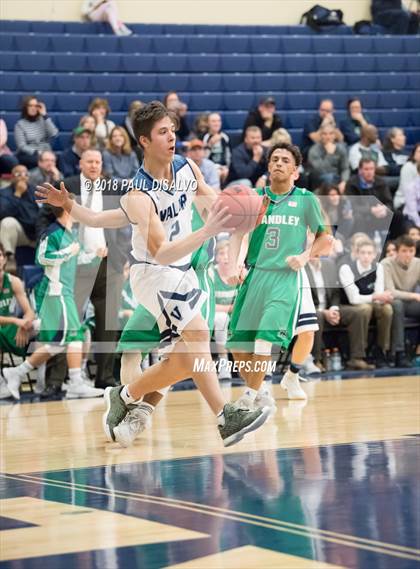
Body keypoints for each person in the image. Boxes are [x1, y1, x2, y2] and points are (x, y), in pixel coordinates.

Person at [36, 100, 270, 448]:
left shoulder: (187, 169)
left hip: (183, 273)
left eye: (172, 130)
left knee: (189, 357)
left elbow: (215, 204)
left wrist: (246, 213)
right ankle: (225, 418)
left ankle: (125, 394)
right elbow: (161, 251)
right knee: (198, 335)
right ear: (144, 141)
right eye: (162, 133)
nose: (171, 137)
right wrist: (209, 231)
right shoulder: (138, 194)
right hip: (154, 274)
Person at [225, 143, 333, 408]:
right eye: (274, 159)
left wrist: (306, 256)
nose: (278, 163)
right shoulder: (255, 198)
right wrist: (234, 265)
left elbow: (326, 238)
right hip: (254, 275)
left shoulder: (306, 199)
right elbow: (238, 235)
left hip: (286, 276)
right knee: (237, 344)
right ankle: (260, 389)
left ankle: (253, 395)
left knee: (274, 337)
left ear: (295, 170)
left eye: (285, 160)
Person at [1, 203, 105, 400]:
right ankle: (75, 382)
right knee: (74, 335)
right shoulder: (52, 232)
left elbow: (78, 258)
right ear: (67, 210)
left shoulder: (70, 234)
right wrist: (68, 252)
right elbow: (41, 258)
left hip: (63, 293)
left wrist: (94, 256)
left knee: (59, 343)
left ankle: (17, 372)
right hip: (56, 293)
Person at [306, 257, 375, 371]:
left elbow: (336, 292)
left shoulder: (329, 264)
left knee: (358, 313)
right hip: (311, 310)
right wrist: (323, 312)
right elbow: (301, 297)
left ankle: (356, 358)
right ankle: (316, 360)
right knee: (317, 316)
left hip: (330, 307)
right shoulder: (301, 267)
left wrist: (334, 308)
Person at [339, 238, 394, 367]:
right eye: (363, 253)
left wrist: (380, 297)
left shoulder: (378, 267)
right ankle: (359, 355)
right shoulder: (346, 268)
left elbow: (379, 296)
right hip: (348, 305)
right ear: (357, 254)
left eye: (369, 253)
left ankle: (381, 351)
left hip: (369, 302)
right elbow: (353, 298)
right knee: (364, 309)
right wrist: (376, 296)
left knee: (387, 309)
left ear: (375, 255)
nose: (366, 256)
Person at [0, 243, 38, 399]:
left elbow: (30, 311)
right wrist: (17, 322)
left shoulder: (13, 281)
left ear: (4, 259)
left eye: (0, 255)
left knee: (44, 326)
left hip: (12, 330)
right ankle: (1, 383)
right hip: (7, 326)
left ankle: (45, 382)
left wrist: (24, 324)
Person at [381, 235, 420, 366]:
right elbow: (390, 291)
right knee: (398, 305)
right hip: (390, 300)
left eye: (411, 251)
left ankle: (417, 351)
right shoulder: (386, 263)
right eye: (404, 251)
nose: (408, 255)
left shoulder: (418, 263)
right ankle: (399, 353)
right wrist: (413, 296)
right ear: (397, 251)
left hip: (408, 303)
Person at [0, 165, 38, 271]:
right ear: (12, 177)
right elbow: (3, 213)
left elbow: (43, 213)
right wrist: (17, 194)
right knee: (7, 222)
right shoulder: (4, 193)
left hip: (37, 232)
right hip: (20, 234)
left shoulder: (36, 191)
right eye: (18, 174)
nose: (22, 177)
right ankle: (9, 257)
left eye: (26, 174)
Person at [345, 158, 393, 237]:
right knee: (358, 217)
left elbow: (389, 202)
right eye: (366, 169)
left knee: (397, 215)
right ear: (360, 170)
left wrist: (384, 209)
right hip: (363, 214)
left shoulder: (381, 182)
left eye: (371, 169)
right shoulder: (351, 184)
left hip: (379, 212)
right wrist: (370, 210)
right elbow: (352, 206)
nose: (369, 172)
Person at [213, 240, 237, 381]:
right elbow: (208, 305)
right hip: (214, 316)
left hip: (235, 315)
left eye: (229, 253)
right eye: (222, 253)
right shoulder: (211, 274)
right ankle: (224, 364)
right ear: (216, 257)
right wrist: (229, 308)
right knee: (222, 319)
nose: (226, 257)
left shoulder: (239, 273)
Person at [14, 96, 58, 169]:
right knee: (40, 161)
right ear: (26, 108)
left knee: (56, 160)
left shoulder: (44, 120)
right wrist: (37, 152)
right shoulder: (20, 124)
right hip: (29, 154)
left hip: (45, 152)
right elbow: (21, 146)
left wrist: (45, 116)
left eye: (35, 106)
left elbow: (54, 134)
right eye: (30, 106)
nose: (33, 108)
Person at [307, 124, 350, 193]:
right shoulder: (314, 150)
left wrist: (344, 181)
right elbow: (321, 170)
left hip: (338, 178)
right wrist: (329, 155)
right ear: (321, 136)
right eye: (325, 134)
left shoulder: (341, 149)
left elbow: (345, 168)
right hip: (320, 180)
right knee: (328, 177)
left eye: (331, 134)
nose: (328, 137)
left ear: (335, 136)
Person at [202, 112, 231, 186]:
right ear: (208, 123)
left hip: (223, 166)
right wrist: (210, 145)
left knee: (225, 172)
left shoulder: (224, 137)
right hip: (209, 166)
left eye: (218, 121)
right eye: (213, 121)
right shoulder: (205, 137)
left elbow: (228, 155)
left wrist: (227, 166)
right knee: (217, 172)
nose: (217, 123)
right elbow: (203, 158)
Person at [394, 143, 420, 211]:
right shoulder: (408, 167)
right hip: (404, 202)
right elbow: (408, 191)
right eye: (419, 152)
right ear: (414, 154)